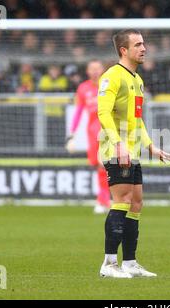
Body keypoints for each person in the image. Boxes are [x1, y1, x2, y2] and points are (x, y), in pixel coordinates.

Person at [97, 29, 170, 278]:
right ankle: (109, 264)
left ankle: (129, 262)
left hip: (133, 151)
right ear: (124, 50)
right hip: (115, 149)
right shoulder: (112, 77)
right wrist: (118, 143)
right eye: (138, 44)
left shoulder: (137, 80)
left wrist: (151, 146)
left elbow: (137, 119)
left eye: (144, 43)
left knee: (136, 203)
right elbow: (103, 113)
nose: (144, 48)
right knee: (122, 201)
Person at [68, 60, 111, 214]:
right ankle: (106, 200)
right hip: (92, 132)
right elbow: (79, 111)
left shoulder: (109, 85)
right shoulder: (83, 88)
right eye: (91, 69)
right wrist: (71, 134)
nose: (94, 71)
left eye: (97, 68)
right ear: (87, 71)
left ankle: (103, 200)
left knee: (103, 165)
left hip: (109, 130)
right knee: (98, 165)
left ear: (103, 69)